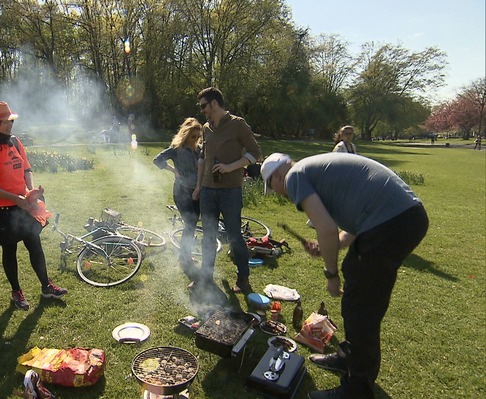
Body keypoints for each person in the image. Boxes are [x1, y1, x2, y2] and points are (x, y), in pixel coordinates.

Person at [260, 152, 429, 399]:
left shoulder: (294, 176)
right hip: (402, 217)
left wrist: (331, 273)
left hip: (393, 221)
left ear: (276, 175)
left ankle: (357, 390)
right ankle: (348, 357)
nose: (278, 193)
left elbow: (327, 229)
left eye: (272, 187)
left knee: (361, 306)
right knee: (358, 292)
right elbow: (347, 229)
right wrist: (330, 244)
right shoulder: (313, 170)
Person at [0, 101, 68, 311]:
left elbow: (26, 168)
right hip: (0, 210)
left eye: (11, 121)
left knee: (34, 242)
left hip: (23, 205)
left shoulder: (15, 142)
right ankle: (16, 292)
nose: (10, 125)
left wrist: (30, 190)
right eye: (6, 122)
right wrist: (14, 197)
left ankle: (46, 286)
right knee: (10, 249)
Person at [192, 87, 262, 293]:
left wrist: (231, 167)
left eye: (204, 106)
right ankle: (205, 278)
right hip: (207, 190)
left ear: (214, 103)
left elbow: (256, 153)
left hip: (230, 191)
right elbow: (203, 158)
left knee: (234, 236)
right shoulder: (206, 128)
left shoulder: (238, 124)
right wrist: (198, 187)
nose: (202, 110)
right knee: (208, 236)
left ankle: (243, 278)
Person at [153, 117, 203, 273]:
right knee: (190, 223)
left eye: (197, 136)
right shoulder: (176, 149)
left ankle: (185, 254)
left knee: (193, 224)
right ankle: (184, 257)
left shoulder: (199, 149)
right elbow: (157, 160)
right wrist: (173, 170)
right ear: (186, 135)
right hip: (182, 192)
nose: (195, 140)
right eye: (192, 137)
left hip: (197, 191)